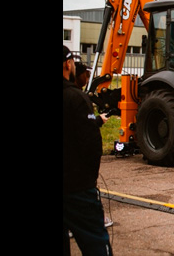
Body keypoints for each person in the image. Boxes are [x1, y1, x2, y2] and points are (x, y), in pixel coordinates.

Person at [62, 46, 112, 256]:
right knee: (95, 244)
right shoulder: (75, 98)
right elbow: (91, 146)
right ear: (67, 64)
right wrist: (88, 183)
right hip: (77, 189)